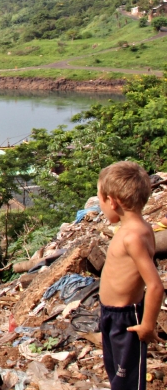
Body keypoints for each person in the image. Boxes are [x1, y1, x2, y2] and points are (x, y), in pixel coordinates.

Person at [98, 161, 164, 390]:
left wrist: (147, 326)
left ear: (112, 201)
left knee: (128, 381)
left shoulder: (133, 237)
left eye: (100, 201)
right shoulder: (132, 230)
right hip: (110, 314)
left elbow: (155, 286)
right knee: (116, 373)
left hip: (126, 319)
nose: (100, 207)